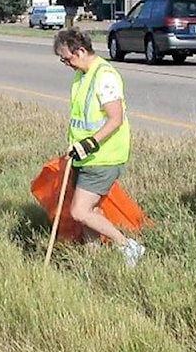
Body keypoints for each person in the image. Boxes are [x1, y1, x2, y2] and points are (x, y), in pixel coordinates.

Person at [53, 26, 145, 267]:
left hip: (103, 157)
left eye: (67, 58)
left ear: (81, 51)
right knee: (90, 211)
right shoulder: (82, 74)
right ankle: (93, 259)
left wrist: (90, 143)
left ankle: (127, 246)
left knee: (79, 211)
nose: (66, 64)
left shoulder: (104, 76)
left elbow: (116, 118)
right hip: (84, 157)